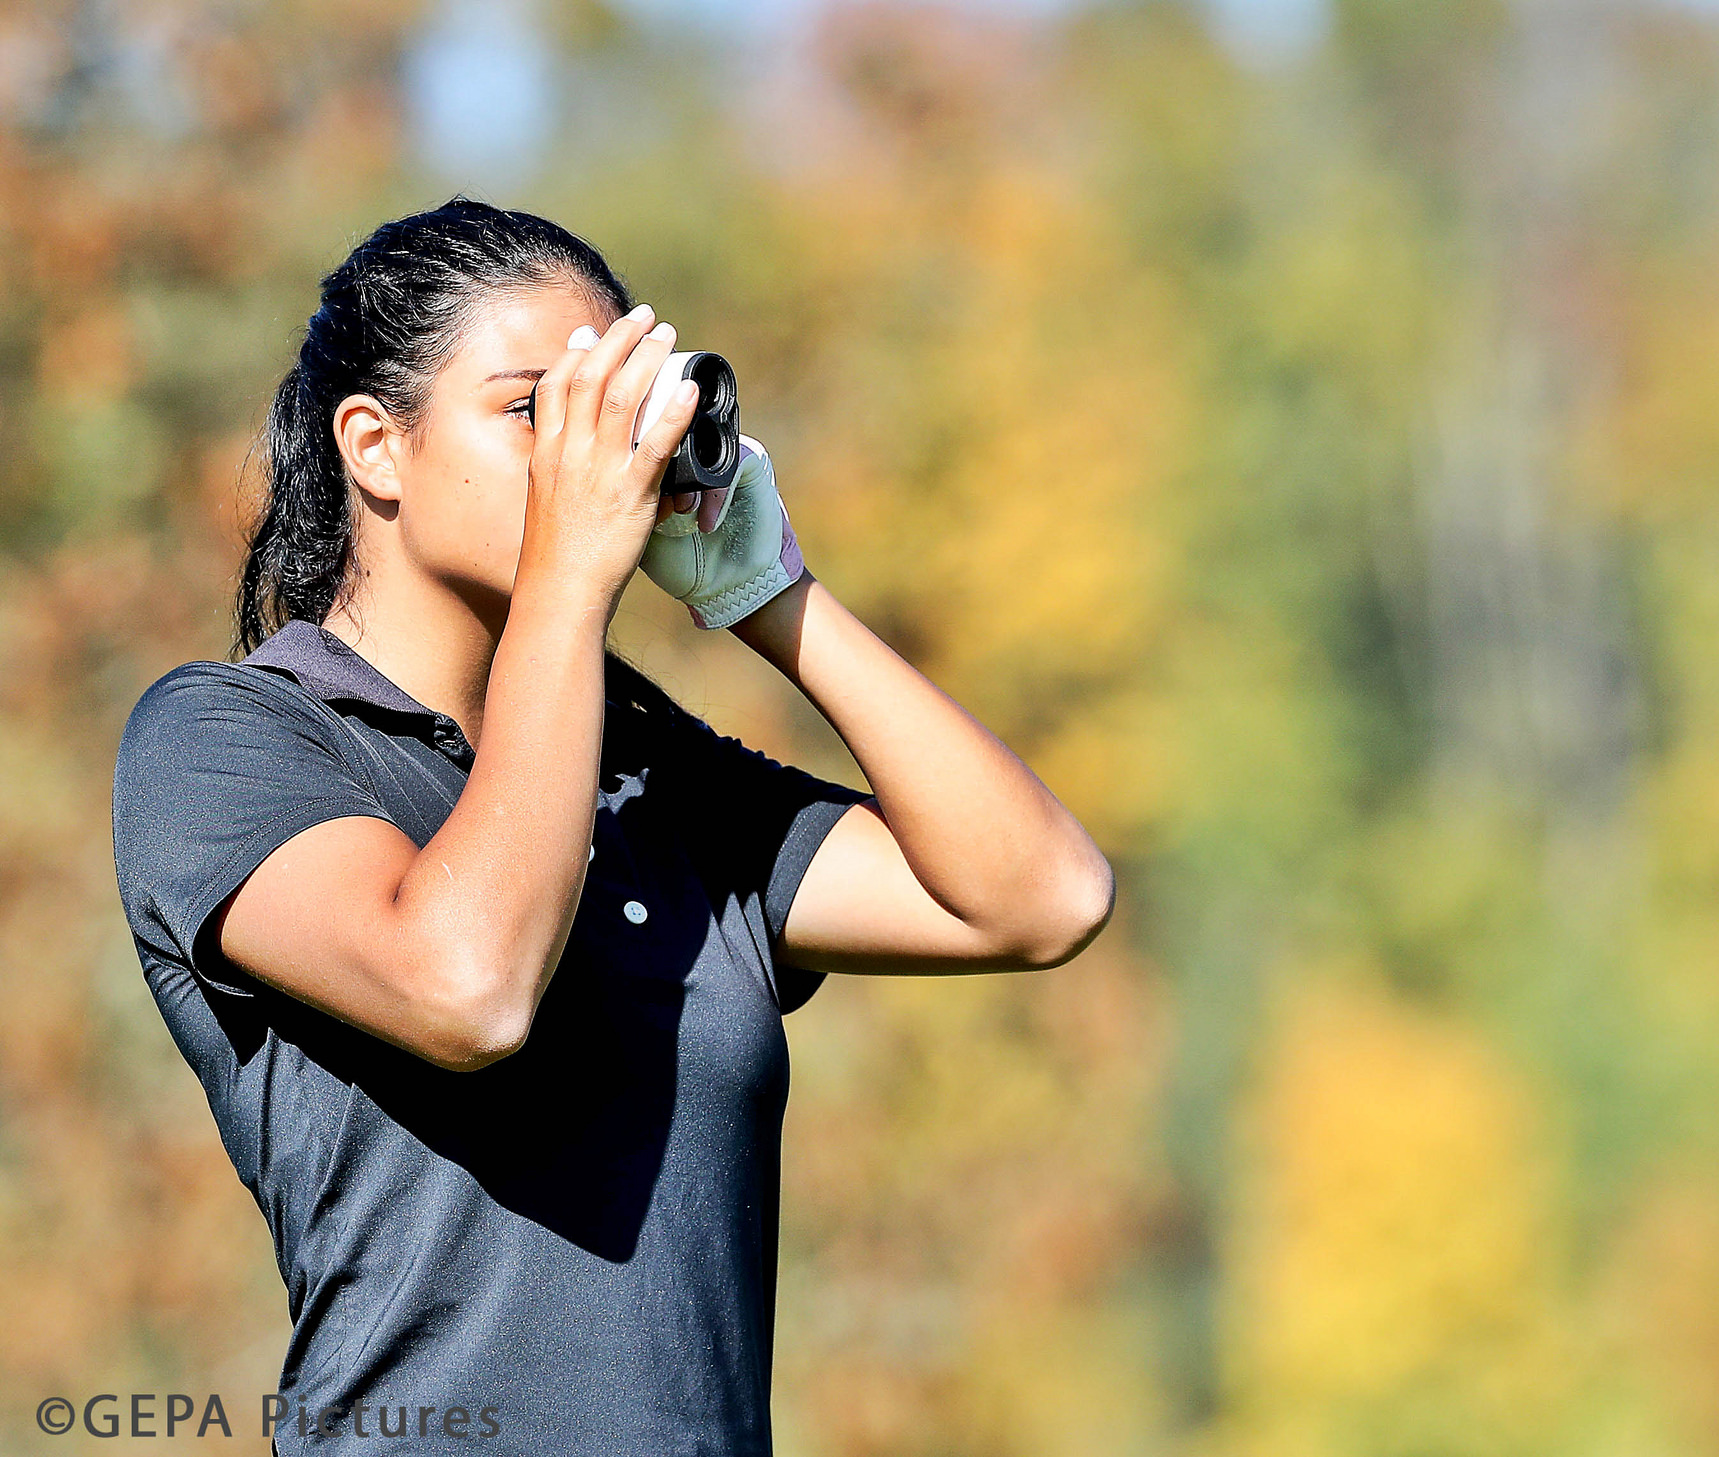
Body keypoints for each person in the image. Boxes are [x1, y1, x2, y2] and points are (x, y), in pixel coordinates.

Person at [109, 197, 1114, 1455]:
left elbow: (1041, 897)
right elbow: (466, 988)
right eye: (532, 410)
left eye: (612, 419)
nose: (587, 460)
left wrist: (772, 594)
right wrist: (574, 577)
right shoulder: (237, 737)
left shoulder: (653, 778)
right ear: (375, 446)